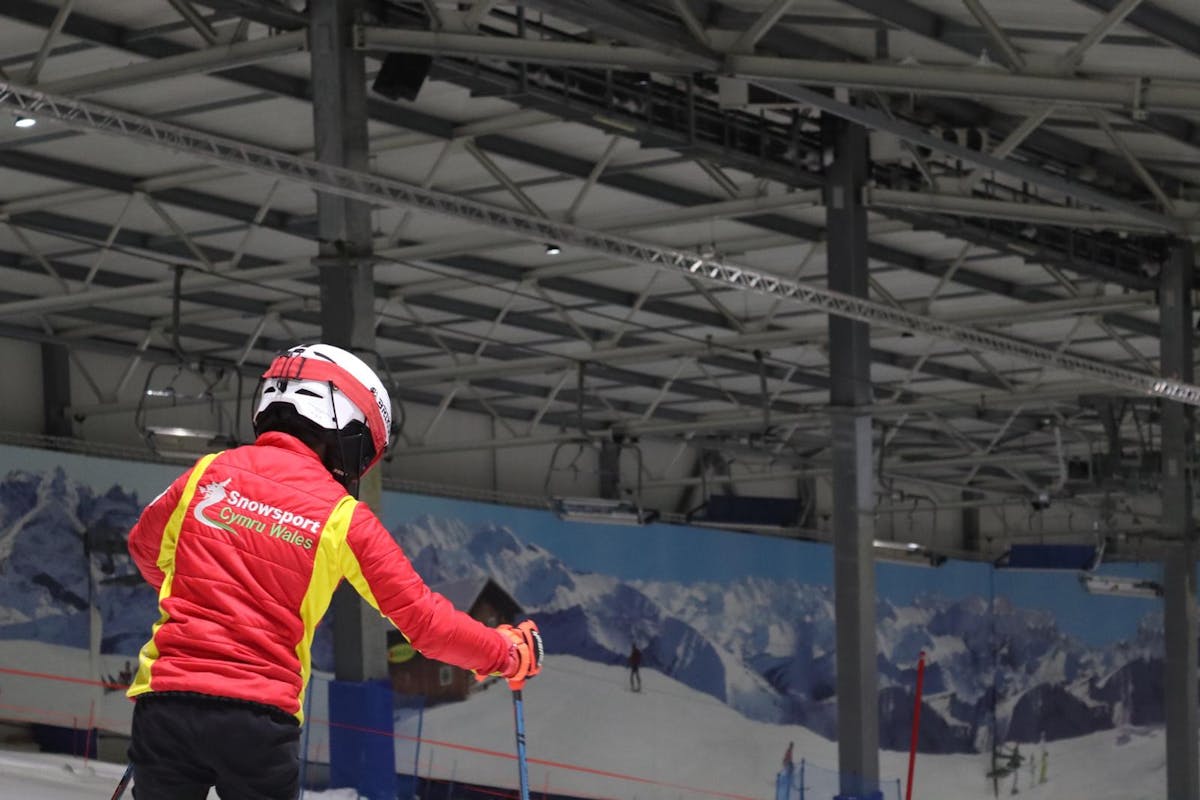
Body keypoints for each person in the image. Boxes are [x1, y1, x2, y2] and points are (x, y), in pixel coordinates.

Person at [125, 343, 543, 800]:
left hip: (165, 702)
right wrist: (505, 653)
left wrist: (203, 595)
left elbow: (145, 549)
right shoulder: (343, 518)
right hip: (259, 717)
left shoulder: (206, 474)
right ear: (345, 424)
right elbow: (425, 623)